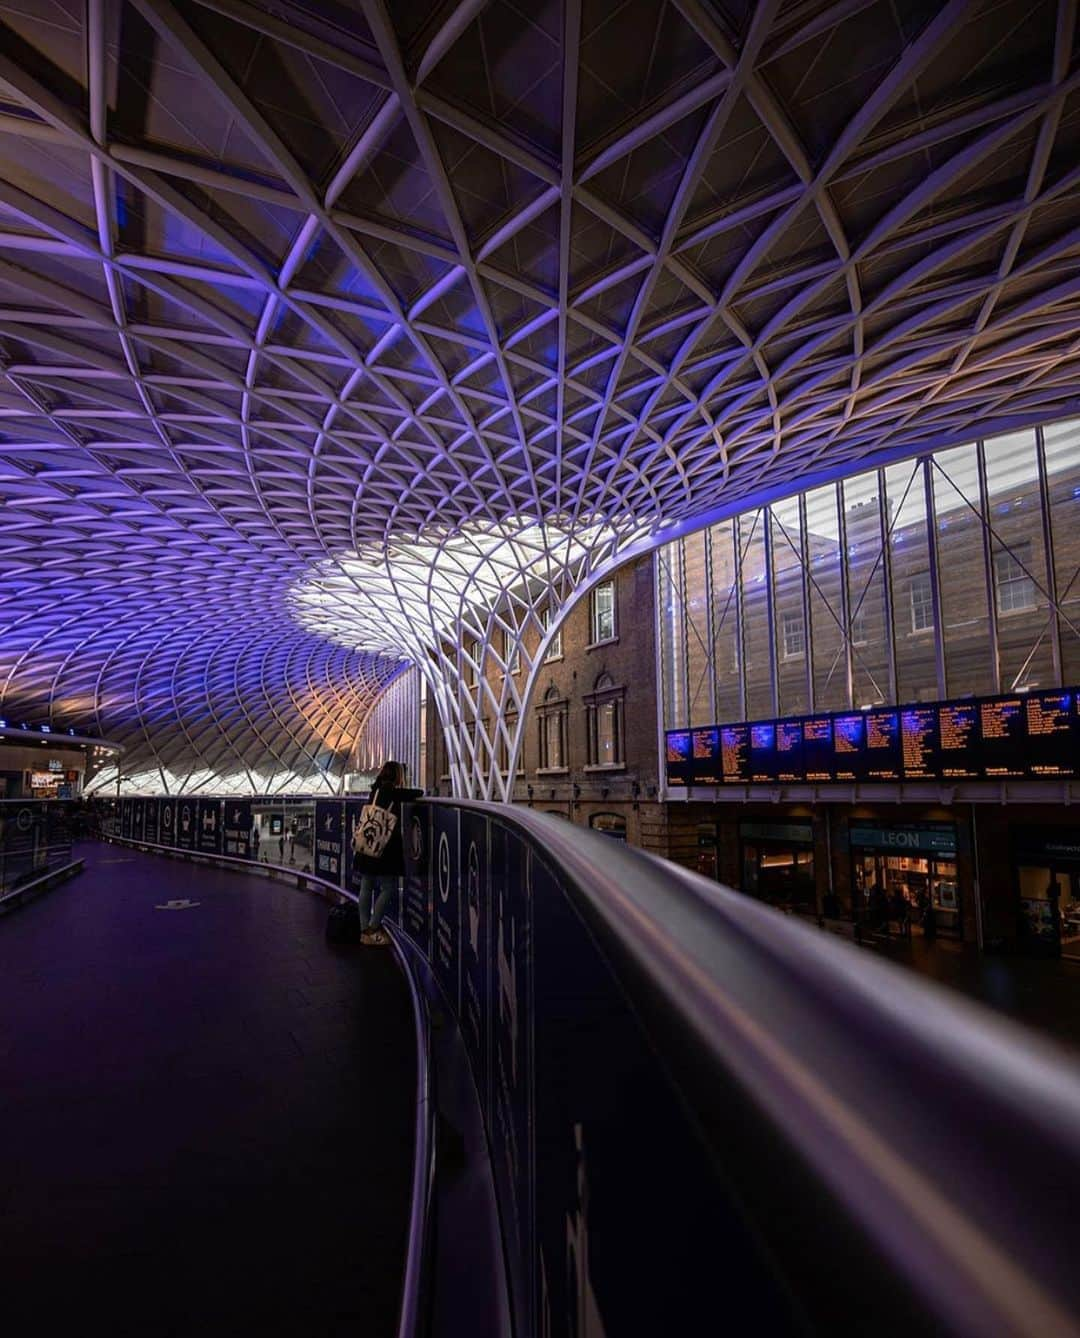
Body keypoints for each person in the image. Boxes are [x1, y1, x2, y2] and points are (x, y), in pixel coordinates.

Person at [354, 760, 422, 946]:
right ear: (398, 776)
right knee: (388, 888)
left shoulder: (374, 791)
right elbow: (419, 793)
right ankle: (373, 928)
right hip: (384, 849)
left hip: (366, 846)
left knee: (366, 886)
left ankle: (363, 929)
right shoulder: (395, 793)